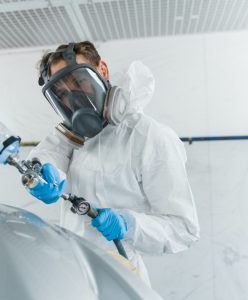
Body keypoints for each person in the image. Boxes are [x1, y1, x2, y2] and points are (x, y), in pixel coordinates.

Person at [27, 41, 200, 285]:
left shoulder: (149, 137)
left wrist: (130, 225)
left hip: (122, 278)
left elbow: (184, 229)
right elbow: (49, 152)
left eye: (78, 81)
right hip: (74, 275)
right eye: (63, 93)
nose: (74, 97)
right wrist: (39, 173)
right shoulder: (76, 136)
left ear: (103, 70)